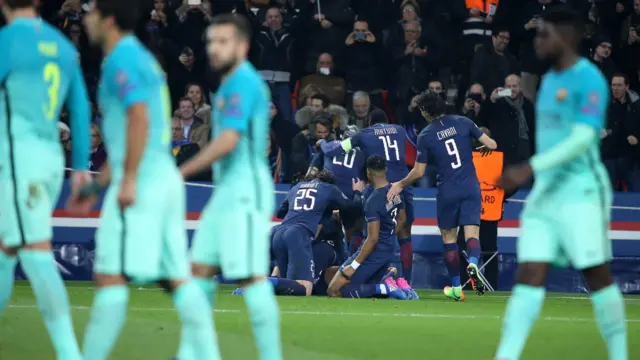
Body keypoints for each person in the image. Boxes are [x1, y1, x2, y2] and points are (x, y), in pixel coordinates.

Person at [69, 1, 221, 360]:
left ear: (107, 20)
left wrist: (128, 180)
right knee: (174, 279)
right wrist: (97, 185)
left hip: (143, 181)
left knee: (109, 277)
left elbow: (138, 118)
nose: (84, 18)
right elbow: (129, 134)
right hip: (155, 178)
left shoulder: (123, 60)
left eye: (90, 12)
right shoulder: (139, 59)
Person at [495, 6, 628, 360]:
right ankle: (506, 355)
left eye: (544, 33)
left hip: (582, 190)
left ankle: (619, 353)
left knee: (596, 274)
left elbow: (585, 138)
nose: (537, 40)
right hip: (546, 193)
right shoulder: (549, 79)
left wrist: (528, 168)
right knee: (529, 272)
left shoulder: (590, 79)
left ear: (568, 36)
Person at [178, 14, 282, 360]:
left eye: (223, 41)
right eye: (211, 41)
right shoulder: (226, 85)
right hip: (227, 191)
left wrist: (181, 172)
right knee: (199, 271)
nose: (214, 48)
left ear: (242, 45)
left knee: (250, 278)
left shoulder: (244, 83)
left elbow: (228, 140)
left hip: (246, 191)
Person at [0, 1, 91, 359]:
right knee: (7, 250)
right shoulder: (62, 44)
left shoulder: (8, 41)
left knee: (35, 252)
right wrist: (81, 166)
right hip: (51, 158)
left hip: (20, 157)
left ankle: (70, 352)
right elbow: (80, 108)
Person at [387, 90, 497, 301]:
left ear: (425, 111)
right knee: (472, 234)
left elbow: (419, 172)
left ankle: (456, 287)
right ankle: (473, 263)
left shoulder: (426, 135)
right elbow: (492, 144)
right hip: (471, 187)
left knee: (449, 238)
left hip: (448, 190)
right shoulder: (463, 121)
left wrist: (400, 184)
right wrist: (481, 146)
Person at [320, 109, 415, 283]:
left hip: (380, 187)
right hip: (403, 185)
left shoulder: (364, 134)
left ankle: (362, 276)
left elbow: (337, 150)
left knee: (366, 231)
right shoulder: (400, 130)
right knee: (404, 232)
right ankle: (406, 282)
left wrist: (323, 144)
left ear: (370, 123)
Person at [236, 171, 363, 297]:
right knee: (304, 288)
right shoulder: (329, 188)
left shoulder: (297, 187)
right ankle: (262, 282)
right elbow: (353, 209)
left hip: (278, 232)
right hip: (298, 234)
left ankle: (253, 286)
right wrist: (357, 192)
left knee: (290, 286)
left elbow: (281, 212)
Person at [327, 155, 416, 300]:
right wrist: (388, 234)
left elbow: (372, 239)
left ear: (369, 173)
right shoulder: (394, 191)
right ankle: (389, 275)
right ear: (385, 169)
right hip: (388, 249)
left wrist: (354, 266)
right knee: (365, 286)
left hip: (373, 252)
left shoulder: (373, 201)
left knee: (334, 290)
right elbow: (402, 219)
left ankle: (385, 287)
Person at [308, 125, 365, 255]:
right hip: (349, 196)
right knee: (355, 223)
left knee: (319, 224)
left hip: (326, 192)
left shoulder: (330, 144)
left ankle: (308, 249)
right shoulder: (363, 152)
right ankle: (353, 258)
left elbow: (312, 170)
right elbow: (363, 179)